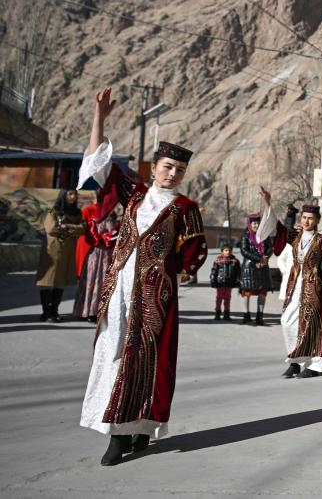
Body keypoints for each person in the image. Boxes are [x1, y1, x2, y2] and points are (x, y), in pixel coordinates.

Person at [77, 87, 207, 466]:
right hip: (118, 291)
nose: (173, 174)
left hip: (155, 297)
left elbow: (193, 253)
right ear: (155, 168)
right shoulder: (134, 194)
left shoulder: (187, 208)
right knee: (115, 353)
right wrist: (99, 117)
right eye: (167, 167)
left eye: (179, 170)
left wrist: (170, 273)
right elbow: (98, 166)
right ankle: (117, 430)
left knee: (147, 361)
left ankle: (136, 430)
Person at [256, 188, 322, 379]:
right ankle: (295, 361)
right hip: (294, 285)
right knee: (287, 321)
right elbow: (277, 230)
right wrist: (268, 203)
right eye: (304, 217)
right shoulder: (294, 236)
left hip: (312, 287)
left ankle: (315, 365)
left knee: (311, 325)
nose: (306, 221)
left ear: (318, 220)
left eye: (310, 218)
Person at [36, 188, 86, 322]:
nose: (73, 196)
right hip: (53, 250)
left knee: (60, 281)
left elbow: (83, 228)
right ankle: (46, 313)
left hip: (68, 250)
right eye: (70, 193)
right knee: (49, 281)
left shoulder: (77, 213)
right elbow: (51, 228)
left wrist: (67, 227)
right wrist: (72, 230)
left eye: (75, 194)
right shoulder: (54, 211)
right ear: (63, 196)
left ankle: (54, 311)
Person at [73, 204, 118, 322]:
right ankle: (93, 312)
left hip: (97, 253)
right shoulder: (105, 217)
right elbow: (110, 234)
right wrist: (109, 236)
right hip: (100, 252)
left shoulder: (103, 217)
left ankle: (86, 311)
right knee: (97, 280)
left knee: (93, 281)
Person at [238, 211, 275, 326]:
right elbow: (244, 251)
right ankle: (246, 315)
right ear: (250, 224)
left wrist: (265, 258)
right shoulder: (245, 236)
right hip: (249, 267)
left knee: (262, 292)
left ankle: (260, 316)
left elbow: (270, 248)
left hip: (263, 267)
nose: (256, 226)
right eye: (254, 223)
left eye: (258, 223)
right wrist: (259, 258)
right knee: (247, 292)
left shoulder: (265, 235)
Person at [209, 243, 240, 321]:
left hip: (229, 283)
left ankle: (226, 314)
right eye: (226, 250)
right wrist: (213, 280)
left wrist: (238, 280)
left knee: (227, 299)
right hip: (220, 283)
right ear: (222, 251)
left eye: (229, 250)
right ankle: (217, 313)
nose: (228, 252)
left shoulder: (234, 261)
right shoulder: (218, 260)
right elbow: (214, 271)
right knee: (219, 298)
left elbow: (238, 272)